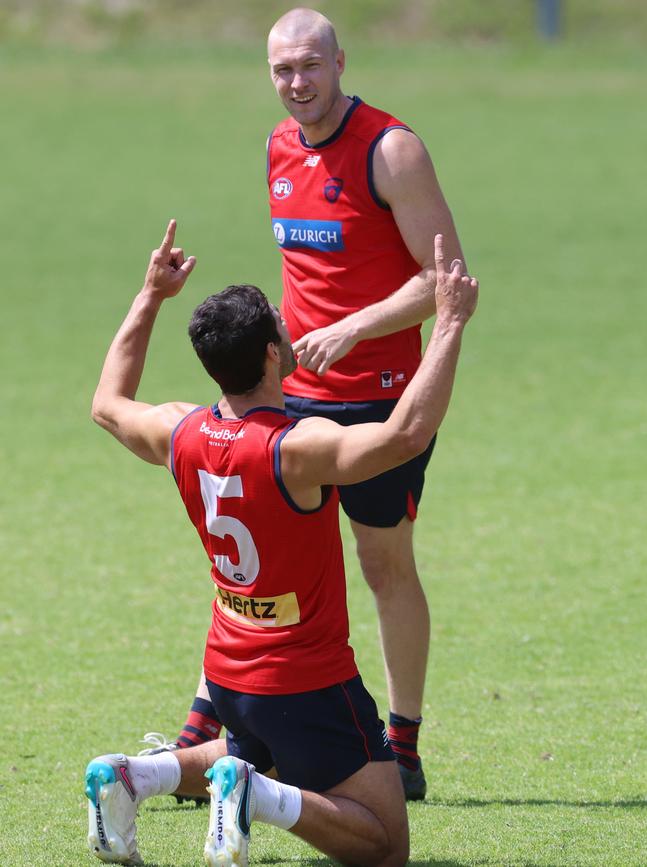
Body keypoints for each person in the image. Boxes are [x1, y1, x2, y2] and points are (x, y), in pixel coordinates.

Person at [84, 220, 477, 866]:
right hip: (306, 677)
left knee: (255, 740)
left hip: (229, 674)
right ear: (271, 352)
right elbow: (405, 434)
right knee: (384, 842)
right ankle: (254, 798)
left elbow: (108, 401)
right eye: (278, 320)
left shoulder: (180, 431)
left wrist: (151, 296)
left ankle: (131, 774)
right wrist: (452, 323)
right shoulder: (295, 450)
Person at [166, 7, 467, 801]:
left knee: (381, 562)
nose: (296, 83)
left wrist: (354, 329)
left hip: (377, 401)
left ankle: (401, 742)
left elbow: (446, 277)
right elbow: (305, 272)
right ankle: (211, 717)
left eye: (309, 66)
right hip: (289, 397)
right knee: (255, 557)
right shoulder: (275, 146)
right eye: (282, 71)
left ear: (339, 61)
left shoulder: (392, 150)